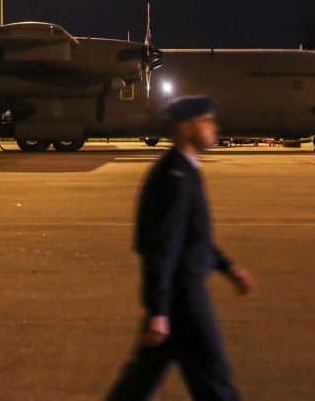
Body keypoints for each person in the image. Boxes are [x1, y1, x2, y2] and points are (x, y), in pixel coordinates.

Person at [106, 95, 257, 401]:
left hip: (177, 295)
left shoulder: (183, 170)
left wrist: (229, 268)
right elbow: (161, 244)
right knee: (215, 381)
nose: (215, 127)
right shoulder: (175, 176)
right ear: (188, 128)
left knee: (140, 382)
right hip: (184, 297)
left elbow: (193, 237)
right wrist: (159, 308)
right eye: (207, 121)